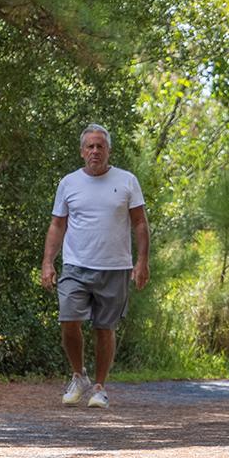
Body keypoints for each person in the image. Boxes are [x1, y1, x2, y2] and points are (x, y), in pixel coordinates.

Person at [40, 124, 149, 409]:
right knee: (68, 320)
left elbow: (140, 222)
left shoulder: (127, 181)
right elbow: (57, 224)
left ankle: (100, 387)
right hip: (76, 265)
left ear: (109, 150)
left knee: (104, 328)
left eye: (100, 146)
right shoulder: (69, 183)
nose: (95, 151)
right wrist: (48, 262)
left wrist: (142, 261)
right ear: (82, 151)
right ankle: (79, 375)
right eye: (90, 146)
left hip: (115, 266)